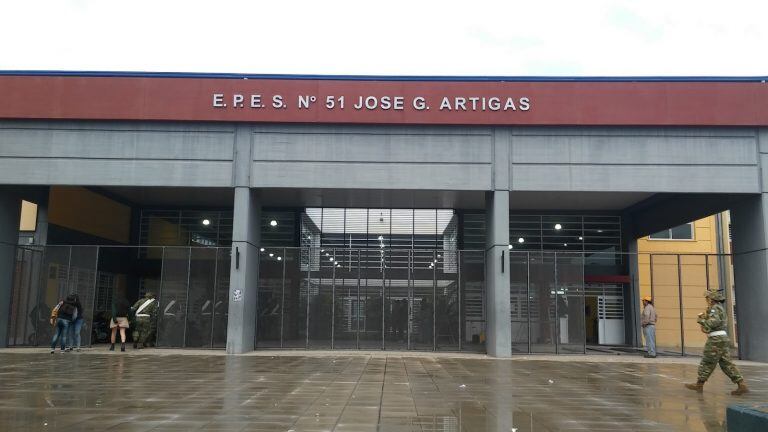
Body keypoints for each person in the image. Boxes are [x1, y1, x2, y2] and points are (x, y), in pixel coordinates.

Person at [685, 290, 749, 395]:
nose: (706, 300)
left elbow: (713, 323)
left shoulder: (715, 308)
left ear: (711, 299)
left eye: (707, 298)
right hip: (722, 338)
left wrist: (701, 320)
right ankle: (741, 384)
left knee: (707, 361)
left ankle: (699, 385)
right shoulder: (719, 308)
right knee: (726, 363)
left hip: (716, 339)